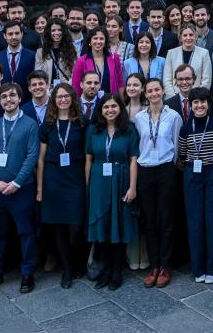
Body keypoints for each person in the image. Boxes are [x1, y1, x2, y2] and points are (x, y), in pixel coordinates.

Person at [0, 83, 40, 295]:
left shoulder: (30, 124)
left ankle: (27, 272)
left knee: (26, 232)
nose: (8, 100)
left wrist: (16, 183)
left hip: (21, 189)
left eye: (12, 95)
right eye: (4, 97)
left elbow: (32, 156)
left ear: (19, 98)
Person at [85, 94, 139, 290]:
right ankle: (105, 270)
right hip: (99, 181)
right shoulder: (93, 130)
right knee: (103, 226)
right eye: (106, 107)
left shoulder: (129, 130)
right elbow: (89, 159)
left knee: (120, 224)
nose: (110, 110)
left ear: (120, 108)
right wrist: (88, 186)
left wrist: (132, 187)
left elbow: (133, 159)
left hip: (121, 178)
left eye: (113, 106)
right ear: (101, 110)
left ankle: (117, 272)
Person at [132, 77, 182, 288]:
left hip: (165, 169)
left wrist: (171, 167)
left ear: (163, 92)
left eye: (156, 90)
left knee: (166, 218)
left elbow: (177, 144)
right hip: (145, 171)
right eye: (149, 91)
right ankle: (154, 264)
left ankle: (166, 265)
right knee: (149, 219)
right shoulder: (138, 118)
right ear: (145, 94)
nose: (153, 94)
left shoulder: (174, 116)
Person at [36, 84, 88, 288]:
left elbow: (88, 155)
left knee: (75, 227)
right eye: (59, 97)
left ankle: (78, 262)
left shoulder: (82, 123)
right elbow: (40, 159)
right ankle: (67, 270)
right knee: (59, 227)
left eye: (67, 96)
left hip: (75, 178)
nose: (63, 100)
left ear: (73, 98)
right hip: (53, 178)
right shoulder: (47, 125)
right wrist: (40, 189)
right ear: (54, 100)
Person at [178, 88, 213, 284]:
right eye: (195, 103)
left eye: (203, 102)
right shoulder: (186, 127)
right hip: (192, 175)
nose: (199, 106)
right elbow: (182, 154)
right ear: (190, 105)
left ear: (208, 104)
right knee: (195, 221)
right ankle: (198, 267)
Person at [72, 28, 124, 98]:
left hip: (110, 102)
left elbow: (120, 83)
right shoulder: (81, 61)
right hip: (89, 102)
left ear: (105, 41)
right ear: (90, 41)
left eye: (101, 39)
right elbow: (76, 86)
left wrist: (122, 102)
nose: (98, 41)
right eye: (95, 38)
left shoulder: (114, 58)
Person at [0, 21, 38, 96]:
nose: (14, 37)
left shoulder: (33, 55)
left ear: (22, 34)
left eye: (17, 33)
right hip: (4, 101)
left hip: (26, 100)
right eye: (10, 34)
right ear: (4, 36)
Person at [36, 18, 77, 87]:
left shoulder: (71, 49)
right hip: (48, 90)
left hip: (67, 88)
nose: (56, 33)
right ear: (49, 33)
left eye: (59, 30)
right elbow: (38, 74)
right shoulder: (40, 52)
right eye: (53, 30)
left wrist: (68, 84)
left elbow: (76, 72)